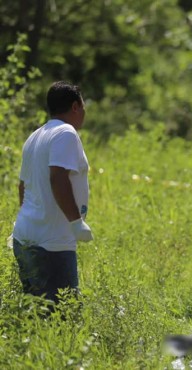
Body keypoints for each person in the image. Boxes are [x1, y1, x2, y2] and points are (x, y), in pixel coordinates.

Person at [12, 81, 93, 303]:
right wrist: (76, 222)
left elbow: (23, 186)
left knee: (35, 312)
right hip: (52, 241)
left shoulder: (36, 135)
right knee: (63, 314)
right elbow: (58, 178)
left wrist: (26, 219)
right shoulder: (66, 133)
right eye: (83, 107)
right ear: (76, 106)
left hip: (26, 236)